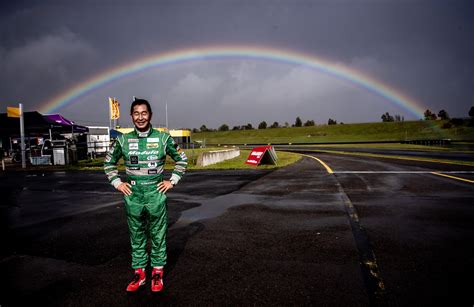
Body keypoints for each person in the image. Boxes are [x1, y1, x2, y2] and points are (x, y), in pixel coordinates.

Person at [104, 98, 188, 292]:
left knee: (158, 234)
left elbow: (181, 160)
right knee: (136, 235)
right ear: (131, 116)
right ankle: (139, 273)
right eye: (136, 113)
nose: (140, 117)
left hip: (155, 193)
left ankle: (157, 273)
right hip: (133, 195)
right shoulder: (123, 140)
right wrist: (118, 183)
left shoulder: (163, 138)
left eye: (144, 113)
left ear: (150, 115)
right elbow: (108, 164)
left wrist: (172, 181)